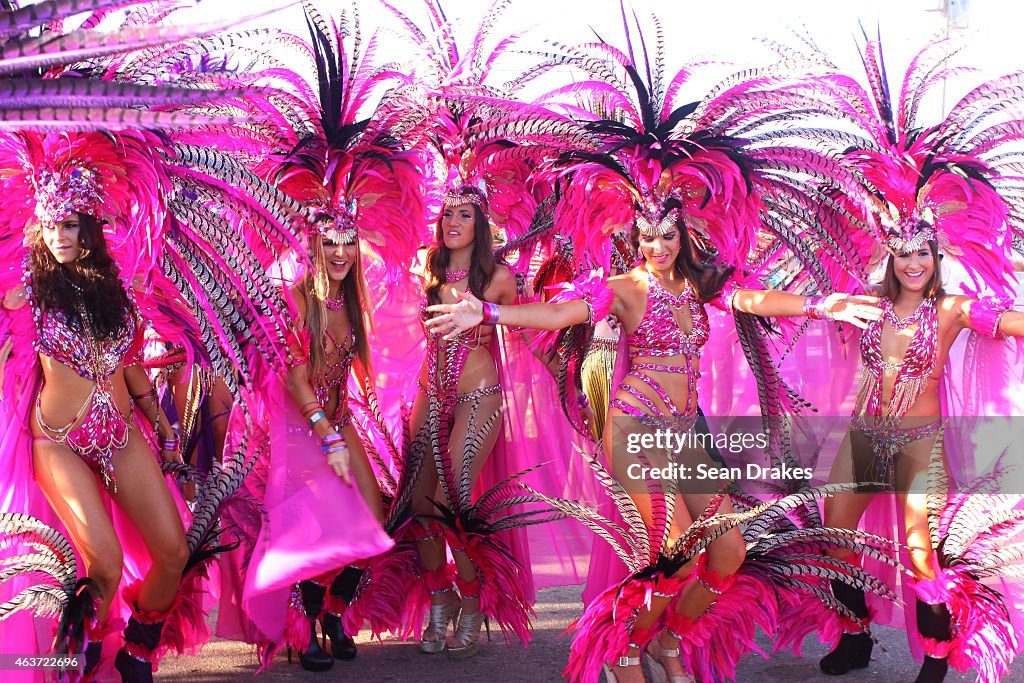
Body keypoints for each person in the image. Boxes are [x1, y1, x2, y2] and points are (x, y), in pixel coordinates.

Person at [426, 202, 881, 682]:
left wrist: (822, 305)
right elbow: (561, 313)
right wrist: (490, 311)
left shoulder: (697, 285)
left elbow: (752, 299)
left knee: (729, 552)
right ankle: (623, 649)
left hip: (684, 431)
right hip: (635, 428)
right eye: (646, 237)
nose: (657, 247)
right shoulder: (624, 288)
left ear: (682, 237)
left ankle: (667, 642)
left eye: (666, 235)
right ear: (635, 240)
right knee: (680, 552)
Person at [23, 203, 187, 681]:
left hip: (119, 435)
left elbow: (131, 365)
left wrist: (162, 425)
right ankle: (80, 654)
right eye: (50, 225)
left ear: (90, 229)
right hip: (58, 441)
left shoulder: (117, 291)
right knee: (106, 564)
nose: (58, 235)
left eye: (69, 225)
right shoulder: (27, 290)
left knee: (174, 553)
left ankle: (135, 650)